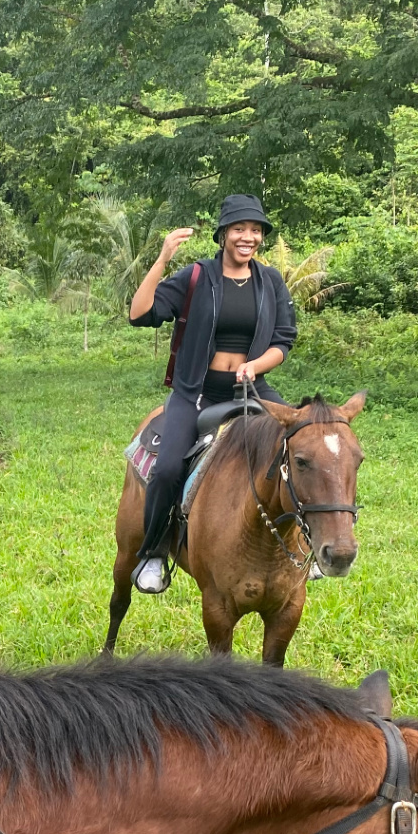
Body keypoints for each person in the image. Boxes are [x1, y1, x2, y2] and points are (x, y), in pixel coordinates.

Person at [127, 193, 298, 593]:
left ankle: (305, 546)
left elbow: (283, 340)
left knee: (301, 446)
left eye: (255, 230)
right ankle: (153, 552)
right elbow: (139, 314)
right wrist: (163, 259)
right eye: (240, 228)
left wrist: (255, 366)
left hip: (252, 388)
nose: (248, 237)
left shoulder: (269, 281)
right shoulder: (197, 277)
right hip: (196, 392)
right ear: (224, 234)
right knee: (168, 467)